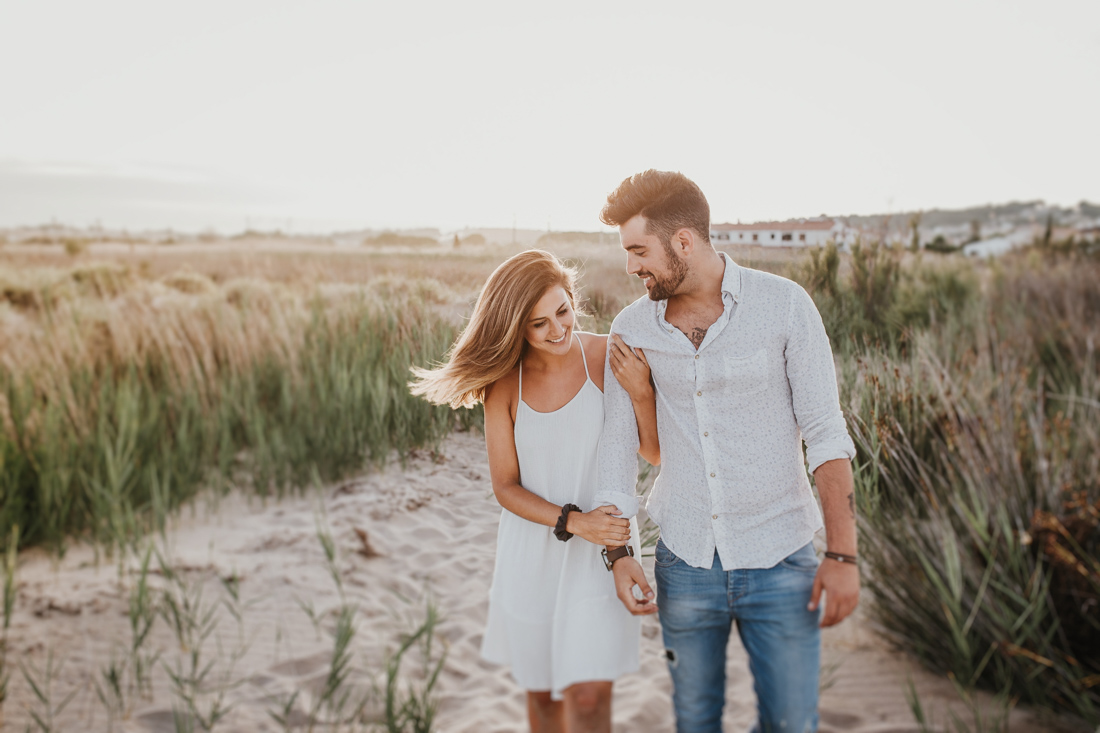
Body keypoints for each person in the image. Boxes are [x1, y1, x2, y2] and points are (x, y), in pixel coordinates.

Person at [593, 170, 860, 733]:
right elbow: (618, 453)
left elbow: (826, 434)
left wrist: (841, 555)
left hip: (782, 558)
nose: (630, 266)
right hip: (684, 563)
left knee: (793, 723)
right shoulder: (632, 327)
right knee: (695, 719)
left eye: (639, 250)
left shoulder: (784, 306)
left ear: (683, 240)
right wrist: (619, 555)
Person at [410, 249, 659, 733]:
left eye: (562, 311)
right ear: (515, 328)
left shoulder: (609, 356)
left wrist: (643, 393)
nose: (557, 330)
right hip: (531, 554)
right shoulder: (504, 383)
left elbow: (651, 452)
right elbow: (505, 487)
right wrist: (573, 520)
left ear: (573, 298)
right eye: (537, 324)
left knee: (587, 701)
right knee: (544, 701)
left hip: (602, 555)